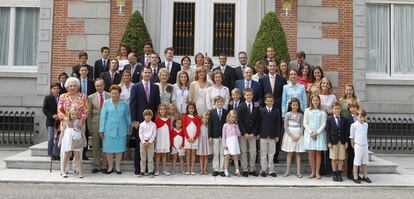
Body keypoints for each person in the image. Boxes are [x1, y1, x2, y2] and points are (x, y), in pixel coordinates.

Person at [130, 66, 161, 175]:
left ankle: (149, 169)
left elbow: (158, 105)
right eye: (145, 72)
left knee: (150, 145)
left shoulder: (155, 87)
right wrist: (134, 120)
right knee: (140, 145)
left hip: (152, 121)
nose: (147, 74)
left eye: (149, 73)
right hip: (140, 120)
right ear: (142, 74)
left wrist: (158, 119)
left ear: (151, 74)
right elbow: (132, 104)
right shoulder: (136, 87)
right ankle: (139, 169)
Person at [57, 77, 89, 178]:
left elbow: (86, 111)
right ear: (67, 87)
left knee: (78, 149)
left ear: (78, 86)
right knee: (65, 148)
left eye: (75, 86)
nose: (73, 87)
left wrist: (81, 121)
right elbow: (59, 110)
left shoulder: (83, 96)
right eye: (71, 86)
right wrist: (67, 119)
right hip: (67, 125)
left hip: (79, 125)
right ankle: (64, 169)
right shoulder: (63, 97)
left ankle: (77, 168)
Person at [99, 85, 131, 174]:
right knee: (108, 149)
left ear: (119, 94)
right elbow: (103, 117)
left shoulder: (124, 103)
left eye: (116, 93)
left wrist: (132, 123)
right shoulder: (106, 103)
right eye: (112, 93)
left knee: (119, 149)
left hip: (121, 130)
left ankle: (117, 167)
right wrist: (101, 130)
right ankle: (110, 167)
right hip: (108, 130)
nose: (114, 95)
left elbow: (127, 116)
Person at [259, 60, 287, 163]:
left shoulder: (282, 79)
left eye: (274, 66)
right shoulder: (263, 79)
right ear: (267, 66)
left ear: (277, 67)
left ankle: (275, 157)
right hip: (265, 111)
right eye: (270, 66)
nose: (272, 68)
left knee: (276, 132)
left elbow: (283, 95)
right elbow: (261, 95)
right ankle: (264, 158)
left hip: (278, 110)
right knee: (265, 131)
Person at [87, 78, 110, 173]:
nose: (99, 87)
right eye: (97, 86)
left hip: (107, 124)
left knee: (105, 145)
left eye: (101, 85)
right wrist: (89, 127)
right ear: (95, 86)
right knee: (96, 146)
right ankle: (96, 165)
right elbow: (89, 113)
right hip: (95, 123)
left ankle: (105, 166)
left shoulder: (109, 95)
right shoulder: (91, 97)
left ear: (104, 85)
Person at [237, 88, 260, 177]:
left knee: (253, 151)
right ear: (244, 96)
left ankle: (252, 169)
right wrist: (244, 132)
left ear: (252, 96)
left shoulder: (255, 106)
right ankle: (245, 169)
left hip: (252, 133)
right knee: (243, 151)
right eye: (247, 95)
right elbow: (239, 120)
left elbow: (257, 121)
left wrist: (253, 133)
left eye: (250, 95)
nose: (249, 96)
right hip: (244, 133)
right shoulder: (241, 106)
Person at [303, 95, 327, 179]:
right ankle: (312, 171)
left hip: (319, 134)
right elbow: (305, 123)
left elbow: (324, 124)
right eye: (314, 100)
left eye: (317, 100)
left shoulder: (322, 112)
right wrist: (311, 132)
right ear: (311, 101)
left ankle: (317, 172)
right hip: (310, 134)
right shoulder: (307, 111)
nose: (315, 102)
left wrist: (317, 132)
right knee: (311, 153)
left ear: (319, 101)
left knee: (318, 153)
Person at [258, 94, 281, 177]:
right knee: (263, 153)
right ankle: (263, 170)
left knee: (271, 153)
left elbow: (278, 124)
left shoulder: (276, 111)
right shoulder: (261, 110)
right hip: (263, 135)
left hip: (272, 135)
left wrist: (277, 135)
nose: (269, 102)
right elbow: (258, 123)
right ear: (265, 102)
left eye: (271, 101)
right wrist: (258, 134)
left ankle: (271, 170)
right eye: (268, 101)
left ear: (273, 102)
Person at [326, 102, 350, 182]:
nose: (337, 110)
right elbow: (327, 131)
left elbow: (347, 131)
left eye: (338, 108)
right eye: (335, 108)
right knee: (333, 158)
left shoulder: (344, 120)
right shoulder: (329, 119)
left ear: (340, 110)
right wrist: (329, 142)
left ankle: (339, 174)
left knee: (341, 158)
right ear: (332, 110)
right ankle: (334, 174)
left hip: (342, 141)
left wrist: (346, 141)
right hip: (333, 142)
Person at [281, 98, 305, 178]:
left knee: (298, 154)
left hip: (298, 134)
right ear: (291, 105)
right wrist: (291, 135)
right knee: (289, 153)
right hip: (290, 135)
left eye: (296, 105)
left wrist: (299, 135)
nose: (295, 106)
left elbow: (302, 126)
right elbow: (285, 126)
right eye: (293, 105)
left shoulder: (301, 115)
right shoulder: (288, 114)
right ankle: (287, 171)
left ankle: (298, 172)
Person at [350, 109, 372, 184]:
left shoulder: (366, 125)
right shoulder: (353, 125)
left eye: (363, 117)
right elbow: (352, 136)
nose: (361, 118)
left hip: (365, 145)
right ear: (357, 117)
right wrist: (352, 144)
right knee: (357, 161)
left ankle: (365, 176)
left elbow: (365, 135)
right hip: (358, 145)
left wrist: (366, 144)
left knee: (365, 161)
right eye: (360, 117)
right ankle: (355, 176)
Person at [208, 96, 228, 177]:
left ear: (223, 103)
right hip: (215, 136)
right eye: (217, 102)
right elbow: (210, 125)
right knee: (216, 153)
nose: (219, 103)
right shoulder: (212, 112)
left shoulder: (226, 112)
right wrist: (210, 136)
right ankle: (216, 169)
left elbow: (227, 124)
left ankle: (221, 169)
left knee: (222, 153)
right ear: (215, 103)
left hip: (223, 136)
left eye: (221, 102)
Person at [78, 65, 95, 160]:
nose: (84, 71)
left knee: (86, 132)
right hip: (77, 110)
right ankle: (75, 153)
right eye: (82, 70)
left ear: (88, 72)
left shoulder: (92, 83)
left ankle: (84, 153)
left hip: (88, 109)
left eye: (85, 70)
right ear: (79, 72)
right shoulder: (76, 82)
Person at [43, 82, 61, 160]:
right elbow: (45, 109)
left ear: (59, 90)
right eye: (54, 89)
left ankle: (56, 153)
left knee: (58, 138)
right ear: (51, 90)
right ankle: (50, 154)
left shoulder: (62, 97)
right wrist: (52, 115)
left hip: (60, 122)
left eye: (57, 88)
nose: (56, 90)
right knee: (51, 138)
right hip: (51, 122)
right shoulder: (48, 97)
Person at [182, 102, 201, 175]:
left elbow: (198, 128)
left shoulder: (197, 117)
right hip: (188, 138)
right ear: (187, 109)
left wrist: (195, 137)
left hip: (194, 138)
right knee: (188, 153)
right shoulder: (185, 116)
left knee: (193, 153)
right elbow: (183, 127)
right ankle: (188, 169)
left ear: (194, 109)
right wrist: (187, 137)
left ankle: (192, 169)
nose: (191, 110)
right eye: (189, 108)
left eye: (192, 108)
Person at [138, 109, 157, 177]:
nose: (148, 116)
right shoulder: (141, 124)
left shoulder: (153, 125)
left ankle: (150, 171)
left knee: (150, 158)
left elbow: (154, 134)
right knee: (143, 158)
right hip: (143, 143)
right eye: (146, 115)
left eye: (149, 115)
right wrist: (143, 142)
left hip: (150, 143)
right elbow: (140, 134)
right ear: (144, 116)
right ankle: (142, 171)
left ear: (151, 116)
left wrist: (149, 142)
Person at [222, 110, 241, 177]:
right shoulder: (225, 125)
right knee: (227, 156)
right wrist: (224, 144)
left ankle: (237, 170)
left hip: (234, 142)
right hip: (228, 142)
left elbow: (239, 134)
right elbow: (223, 136)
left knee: (235, 157)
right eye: (232, 117)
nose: (233, 119)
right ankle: (225, 170)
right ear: (229, 117)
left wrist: (235, 128)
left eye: (234, 117)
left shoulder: (236, 125)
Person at [346, 99, 361, 180]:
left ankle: (357, 174)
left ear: (357, 108)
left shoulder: (360, 117)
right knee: (351, 157)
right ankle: (349, 173)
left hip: (358, 140)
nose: (353, 109)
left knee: (358, 157)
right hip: (350, 141)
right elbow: (346, 130)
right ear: (349, 108)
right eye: (351, 107)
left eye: (354, 107)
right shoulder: (347, 118)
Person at [154, 104, 171, 176]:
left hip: (166, 138)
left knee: (164, 155)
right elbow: (155, 129)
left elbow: (169, 129)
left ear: (166, 110)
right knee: (158, 155)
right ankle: (157, 170)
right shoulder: (157, 118)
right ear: (159, 110)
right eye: (161, 109)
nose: (162, 111)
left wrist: (169, 140)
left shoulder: (169, 119)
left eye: (164, 109)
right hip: (159, 138)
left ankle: (164, 169)